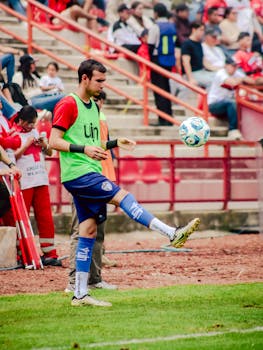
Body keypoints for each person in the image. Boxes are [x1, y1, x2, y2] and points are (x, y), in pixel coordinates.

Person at [49, 58, 200, 307]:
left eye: (104, 81)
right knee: (123, 196)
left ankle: (79, 294)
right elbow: (54, 140)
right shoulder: (68, 103)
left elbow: (94, 144)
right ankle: (172, 233)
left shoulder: (94, 106)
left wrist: (114, 143)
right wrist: (84, 149)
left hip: (88, 170)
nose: (102, 85)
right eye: (99, 80)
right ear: (84, 78)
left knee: (88, 230)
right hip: (79, 173)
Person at [65, 91, 118, 293]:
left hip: (100, 180)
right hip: (83, 180)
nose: (96, 103)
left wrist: (116, 143)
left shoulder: (98, 118)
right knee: (81, 231)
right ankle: (73, 282)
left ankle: (94, 279)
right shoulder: (79, 115)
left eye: (98, 100)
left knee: (97, 233)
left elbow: (100, 145)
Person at [13, 105, 62, 266]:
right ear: (20, 121)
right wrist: (26, 145)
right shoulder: (13, 134)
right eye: (28, 123)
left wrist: (44, 145)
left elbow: (49, 153)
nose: (31, 126)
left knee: (45, 217)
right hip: (25, 182)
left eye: (33, 123)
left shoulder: (36, 132)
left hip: (41, 179)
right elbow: (11, 156)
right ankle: (22, 254)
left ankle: (50, 253)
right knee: (24, 220)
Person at [207, 57, 255, 140]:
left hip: (227, 105)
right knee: (231, 103)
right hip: (214, 105)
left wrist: (243, 79)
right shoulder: (221, 73)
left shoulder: (236, 73)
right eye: (233, 66)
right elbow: (232, 82)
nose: (235, 68)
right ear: (226, 65)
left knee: (239, 104)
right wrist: (241, 79)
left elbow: (252, 81)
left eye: (236, 66)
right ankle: (233, 130)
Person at [147, 3, 177, 126]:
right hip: (169, 61)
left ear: (156, 13)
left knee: (159, 90)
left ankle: (162, 119)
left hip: (157, 60)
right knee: (167, 89)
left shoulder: (156, 27)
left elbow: (150, 45)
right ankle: (169, 117)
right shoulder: (171, 26)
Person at [181, 21, 216, 88]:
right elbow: (186, 62)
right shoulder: (187, 44)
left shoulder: (199, 43)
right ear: (194, 30)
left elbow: (203, 61)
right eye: (201, 30)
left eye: (203, 30)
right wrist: (190, 78)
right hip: (193, 73)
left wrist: (217, 69)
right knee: (212, 81)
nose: (202, 33)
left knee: (218, 77)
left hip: (201, 71)